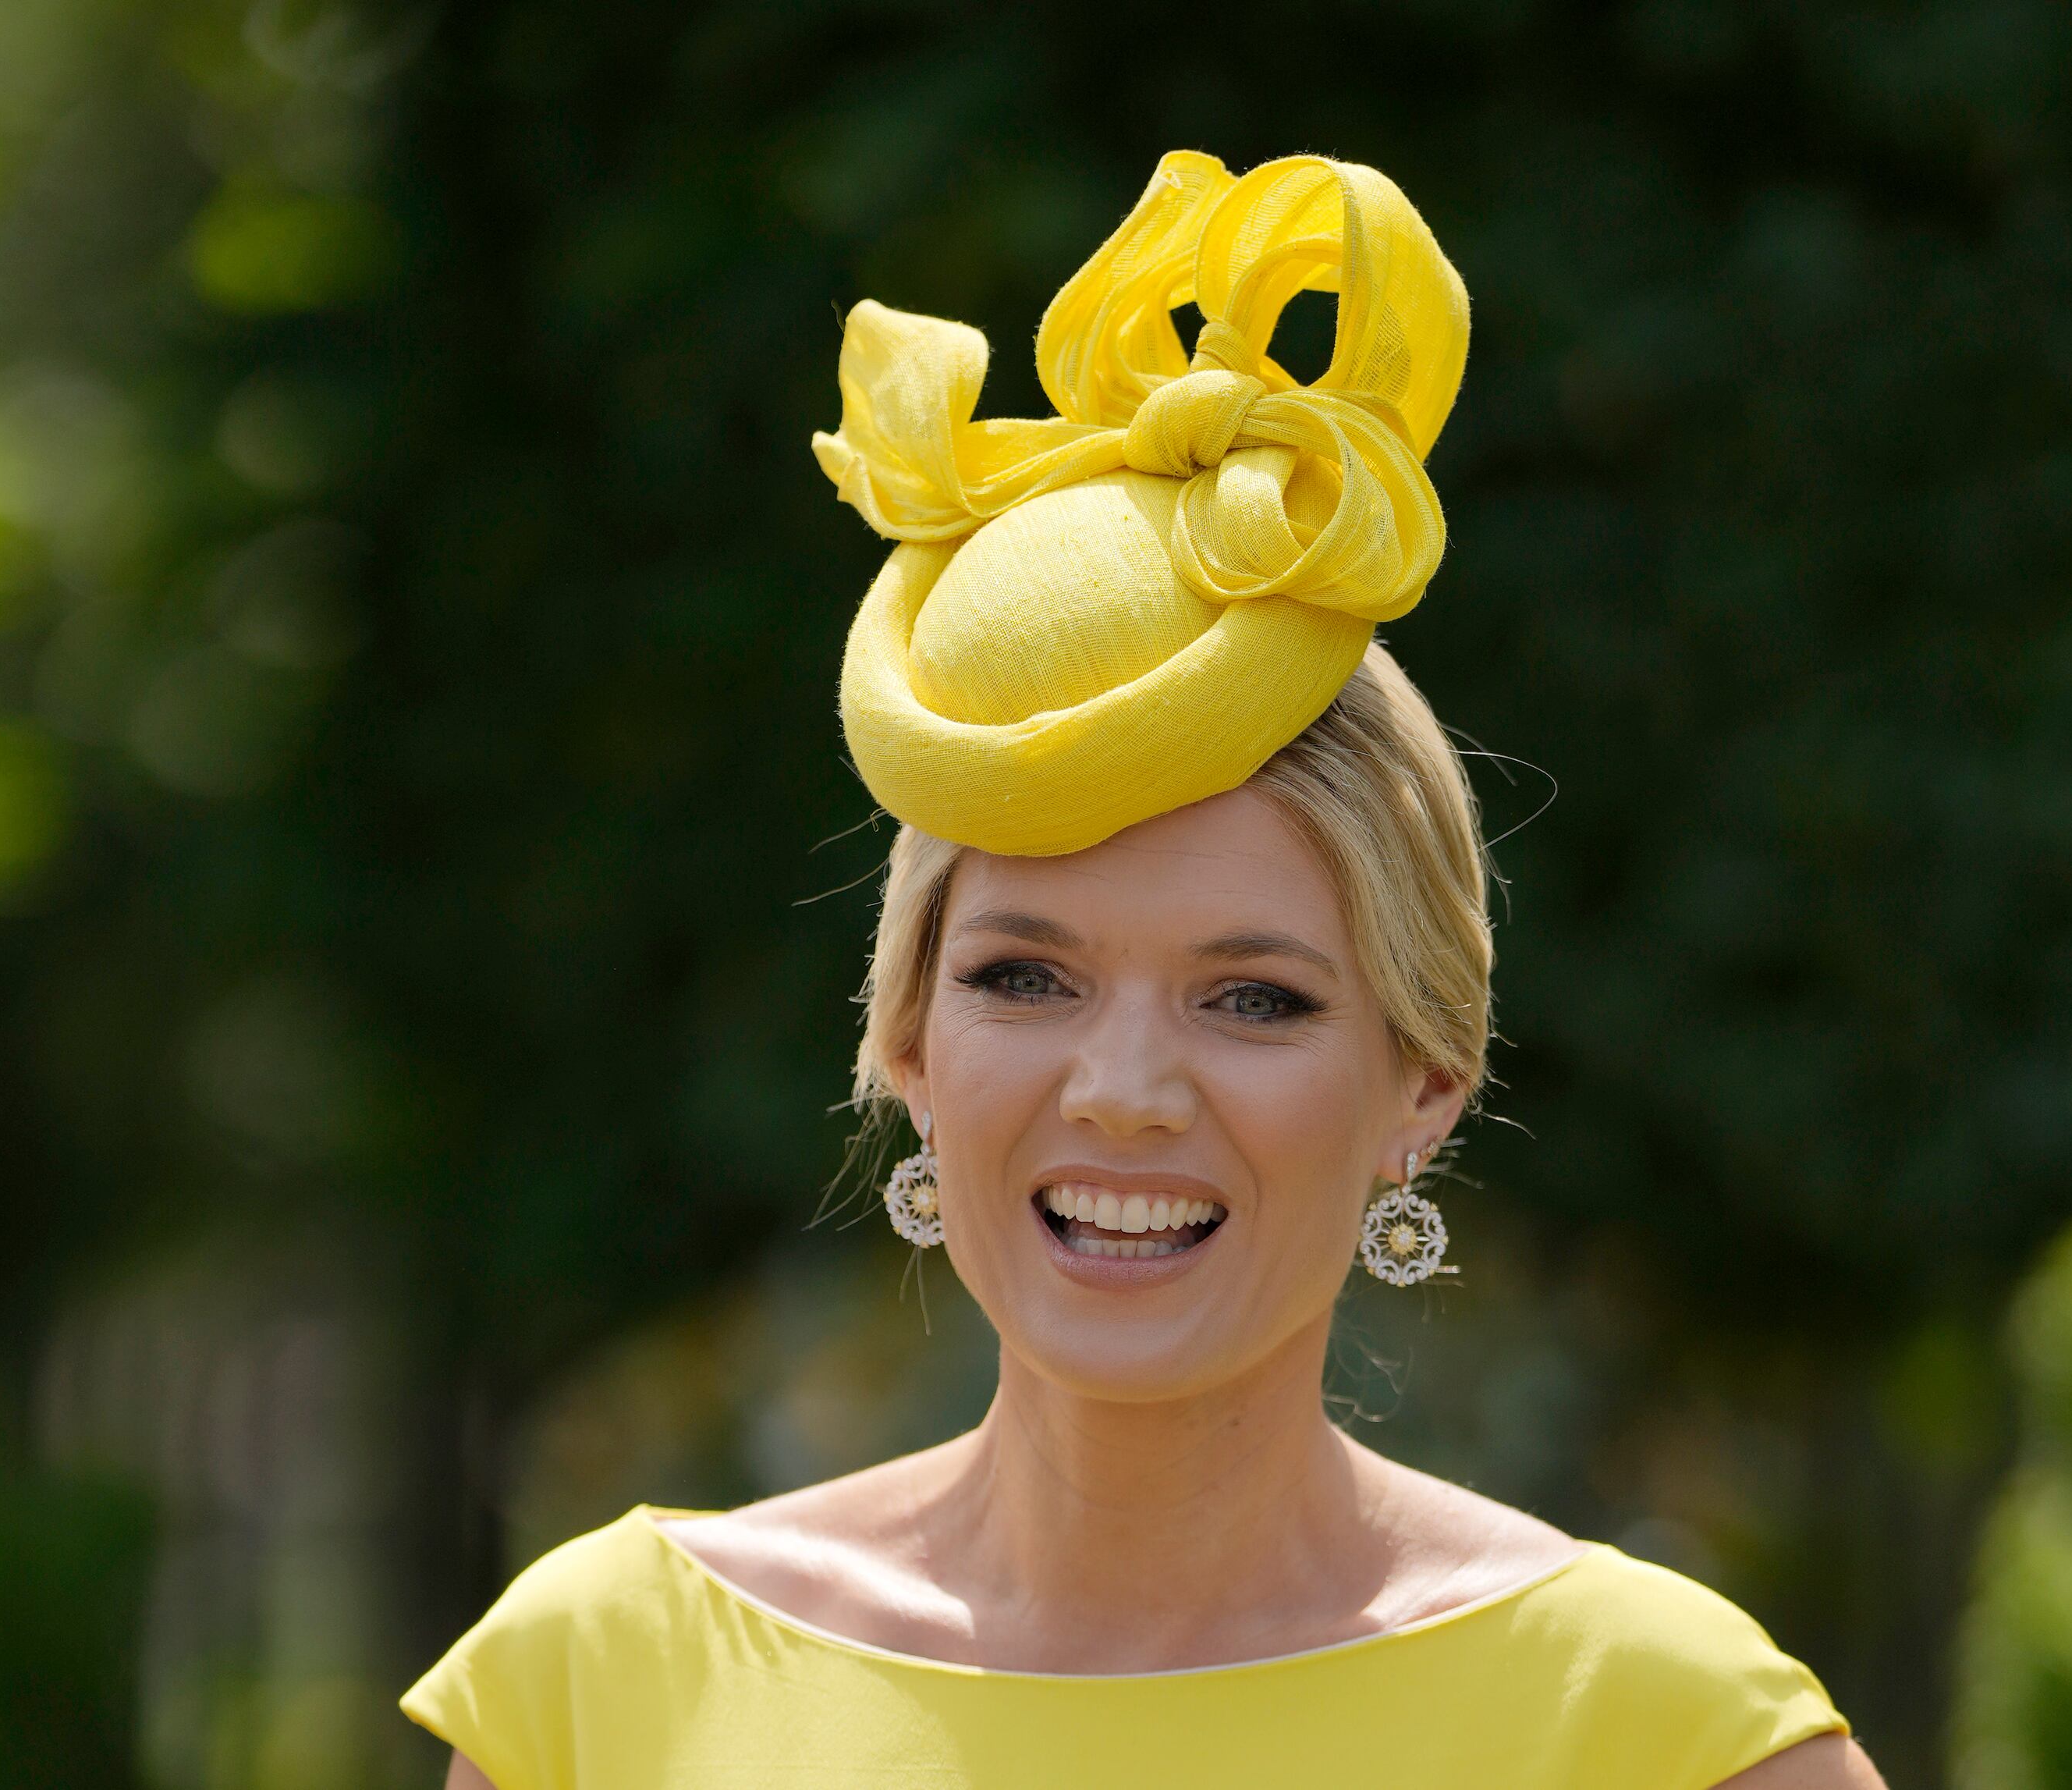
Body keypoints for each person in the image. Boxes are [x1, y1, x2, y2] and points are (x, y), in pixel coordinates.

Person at [402, 150, 1888, 1789]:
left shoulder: (1669, 1736)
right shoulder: (603, 1694)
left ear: (1427, 1083)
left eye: (1254, 997)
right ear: (906, 1038)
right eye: (1025, 979)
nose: (1118, 1094)